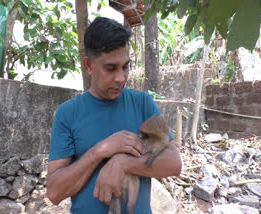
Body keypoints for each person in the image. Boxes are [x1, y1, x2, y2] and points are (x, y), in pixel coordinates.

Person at [46, 17, 181, 214]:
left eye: (125, 67)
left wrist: (124, 163)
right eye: (111, 68)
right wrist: (100, 151)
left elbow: (173, 163)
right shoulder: (67, 114)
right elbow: (55, 192)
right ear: (88, 65)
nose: (121, 78)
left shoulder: (143, 104)